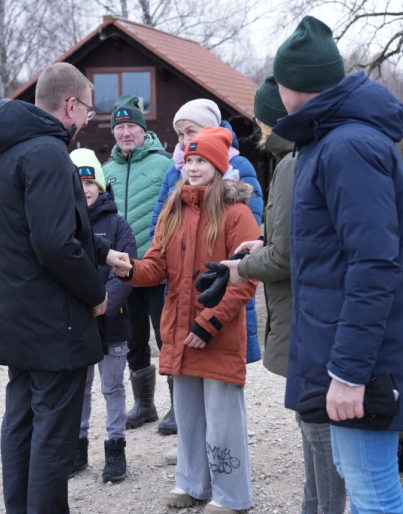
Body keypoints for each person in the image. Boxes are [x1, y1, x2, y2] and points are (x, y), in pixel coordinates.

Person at [272, 16, 403, 514]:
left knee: (374, 494)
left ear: (298, 86)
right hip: (342, 352)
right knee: (362, 492)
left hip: (361, 364)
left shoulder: (348, 146)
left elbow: (374, 266)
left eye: (280, 81)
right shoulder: (329, 140)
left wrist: (349, 373)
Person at [0, 62, 131, 512]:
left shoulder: (5, 150)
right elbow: (54, 244)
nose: (87, 121)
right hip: (51, 324)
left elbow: (34, 230)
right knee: (51, 436)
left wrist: (103, 252)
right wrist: (96, 294)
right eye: (87, 110)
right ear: (70, 104)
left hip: (16, 317)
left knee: (20, 421)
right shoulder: (45, 152)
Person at [114, 127, 260, 514]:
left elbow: (246, 278)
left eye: (202, 161)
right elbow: (157, 265)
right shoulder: (173, 207)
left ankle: (230, 496)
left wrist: (208, 323)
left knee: (223, 417)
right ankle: (192, 484)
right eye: (189, 160)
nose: (193, 167)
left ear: (218, 165)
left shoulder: (237, 213)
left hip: (217, 333)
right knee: (190, 416)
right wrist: (130, 269)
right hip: (179, 331)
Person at [222, 75, 346, 514]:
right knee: (311, 421)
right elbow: (293, 241)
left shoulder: (294, 163)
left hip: (307, 314)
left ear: (267, 120)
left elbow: (290, 257)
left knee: (317, 425)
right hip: (308, 311)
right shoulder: (295, 157)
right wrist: (263, 245)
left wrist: (243, 268)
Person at [103, 95, 175, 433]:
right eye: (119, 127)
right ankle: (145, 404)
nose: (125, 133)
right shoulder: (107, 171)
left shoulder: (164, 163)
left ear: (143, 130)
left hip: (159, 269)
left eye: (131, 126)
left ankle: (179, 406)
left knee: (166, 336)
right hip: (124, 269)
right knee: (133, 339)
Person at [68, 148, 137, 483]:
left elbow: (125, 269)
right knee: (79, 388)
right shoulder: (64, 225)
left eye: (89, 180)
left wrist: (106, 303)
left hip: (112, 322)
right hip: (78, 323)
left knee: (112, 387)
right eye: (77, 181)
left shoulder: (118, 224)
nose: (85, 188)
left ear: (99, 183)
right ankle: (78, 446)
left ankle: (115, 446)